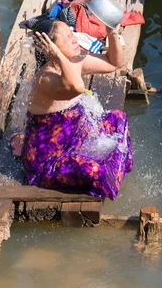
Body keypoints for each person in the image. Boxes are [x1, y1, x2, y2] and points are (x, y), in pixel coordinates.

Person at [20, 19, 133, 200]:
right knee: (94, 170)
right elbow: (76, 87)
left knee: (117, 118)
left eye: (72, 34)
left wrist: (112, 33)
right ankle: (111, 172)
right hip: (48, 160)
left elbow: (113, 62)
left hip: (77, 141)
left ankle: (114, 171)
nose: (74, 40)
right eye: (66, 38)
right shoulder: (45, 78)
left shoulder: (73, 62)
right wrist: (57, 56)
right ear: (50, 48)